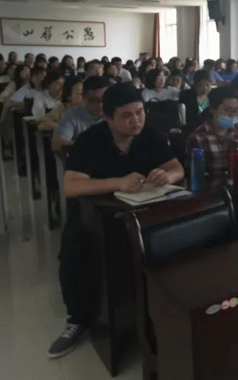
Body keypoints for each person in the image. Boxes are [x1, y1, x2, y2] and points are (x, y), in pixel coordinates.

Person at [49, 83, 184, 359]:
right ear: (108, 117)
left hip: (140, 212)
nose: (136, 120)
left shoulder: (149, 135)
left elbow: (176, 168)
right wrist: (118, 182)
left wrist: (166, 176)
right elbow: (71, 187)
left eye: (140, 112)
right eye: (127, 115)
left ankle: (163, 311)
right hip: (96, 216)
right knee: (74, 247)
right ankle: (78, 319)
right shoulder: (89, 141)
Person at [185, 87, 238, 177]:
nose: (231, 115)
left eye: (235, 111)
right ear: (213, 109)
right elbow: (194, 175)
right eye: (226, 110)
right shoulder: (198, 137)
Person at [52, 76, 108, 153]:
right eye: (95, 100)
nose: (101, 105)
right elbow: (57, 144)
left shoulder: (114, 114)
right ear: (84, 98)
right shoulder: (72, 115)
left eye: (105, 99)